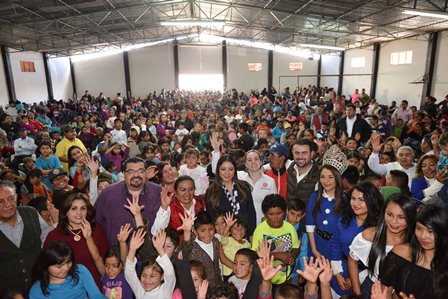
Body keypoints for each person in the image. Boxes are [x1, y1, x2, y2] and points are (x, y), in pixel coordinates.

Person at [348, 194, 416, 299]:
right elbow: (352, 260)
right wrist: (358, 294)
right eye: (389, 214)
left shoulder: (417, 241)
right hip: (373, 290)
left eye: (401, 217)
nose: (394, 221)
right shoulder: (370, 236)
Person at [379, 204, 448, 299]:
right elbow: (384, 292)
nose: (423, 236)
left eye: (430, 231)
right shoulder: (400, 253)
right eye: (419, 228)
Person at [44, 193, 109, 288]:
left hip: (95, 287)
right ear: (65, 211)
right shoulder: (54, 236)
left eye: (83, 208)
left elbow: (107, 261)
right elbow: (47, 267)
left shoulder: (97, 230)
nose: (79, 213)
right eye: (74, 208)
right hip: (67, 290)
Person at [330, 182, 384, 296]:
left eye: (361, 200)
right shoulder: (344, 219)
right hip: (341, 270)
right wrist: (337, 273)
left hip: (368, 277)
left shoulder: (380, 227)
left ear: (372, 201)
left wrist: (357, 277)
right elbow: (335, 245)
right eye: (353, 198)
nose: (356, 203)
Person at [0, 180, 53, 293]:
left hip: (40, 288)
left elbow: (47, 241)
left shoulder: (31, 213)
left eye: (11, 199)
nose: (8, 205)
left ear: (17, 197)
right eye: (1, 201)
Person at [95, 157, 162, 245]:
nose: (136, 175)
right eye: (130, 171)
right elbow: (97, 223)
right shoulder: (108, 194)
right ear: (123, 173)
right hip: (117, 254)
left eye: (141, 171)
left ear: (146, 173)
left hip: (150, 254)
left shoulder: (158, 192)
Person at [306, 145, 347, 261]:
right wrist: (314, 250)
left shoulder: (345, 200)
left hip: (337, 249)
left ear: (338, 178)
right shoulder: (315, 196)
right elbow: (310, 224)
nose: (326, 181)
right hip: (316, 245)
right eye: (322, 177)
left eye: (330, 177)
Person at [29, 240, 107, 299]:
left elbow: (96, 295)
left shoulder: (80, 271)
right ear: (46, 265)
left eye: (69, 262)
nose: (66, 268)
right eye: (59, 266)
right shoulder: (37, 291)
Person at [252, 194, 299, 285]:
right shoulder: (260, 230)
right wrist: (278, 255)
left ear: (285, 212)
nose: (276, 218)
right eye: (271, 214)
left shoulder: (290, 228)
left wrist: (292, 256)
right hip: (266, 279)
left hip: (286, 277)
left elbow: (296, 247)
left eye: (279, 213)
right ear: (265, 214)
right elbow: (255, 254)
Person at [206, 155, 256, 236]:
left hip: (244, 235)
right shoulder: (211, 191)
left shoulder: (244, 187)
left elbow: (251, 212)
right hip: (224, 237)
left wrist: (251, 235)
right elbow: (211, 217)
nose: (227, 173)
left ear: (235, 170)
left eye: (231, 169)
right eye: (223, 169)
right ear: (218, 170)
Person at [125, 229, 176, 299]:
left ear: (162, 277)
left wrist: (160, 249)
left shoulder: (165, 290)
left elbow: (169, 272)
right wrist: (132, 250)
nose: (147, 280)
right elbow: (129, 274)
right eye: (143, 275)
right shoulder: (140, 291)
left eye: (152, 276)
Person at [286, 139, 320, 207]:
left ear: (312, 154)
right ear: (292, 153)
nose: (300, 157)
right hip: (289, 215)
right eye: (297, 153)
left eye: (304, 153)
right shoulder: (288, 166)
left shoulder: (319, 175)